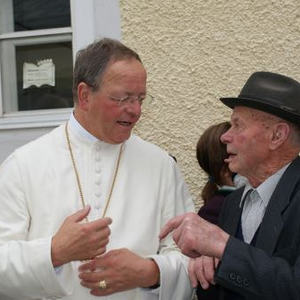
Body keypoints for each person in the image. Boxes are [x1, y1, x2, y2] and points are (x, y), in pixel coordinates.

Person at [0, 38, 194, 300]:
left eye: (141, 98)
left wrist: (150, 272)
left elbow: (190, 258)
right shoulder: (23, 165)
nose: (135, 110)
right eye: (123, 98)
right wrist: (54, 251)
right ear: (84, 95)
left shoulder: (160, 165)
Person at [160, 71, 300, 300]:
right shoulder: (233, 203)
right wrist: (208, 265)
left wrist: (223, 247)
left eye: (238, 125)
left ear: (277, 136)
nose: (225, 136)